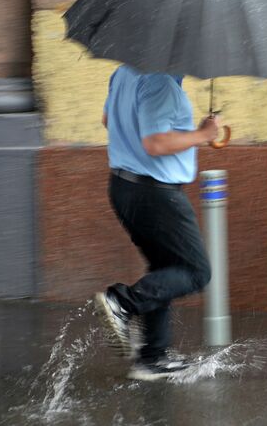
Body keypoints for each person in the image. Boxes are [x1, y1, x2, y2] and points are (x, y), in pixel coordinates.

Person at [94, 64, 222, 381]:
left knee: (164, 269)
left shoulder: (123, 73)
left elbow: (108, 120)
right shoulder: (161, 81)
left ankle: (152, 358)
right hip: (154, 194)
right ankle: (122, 301)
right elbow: (156, 143)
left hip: (124, 187)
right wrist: (204, 134)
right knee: (196, 271)